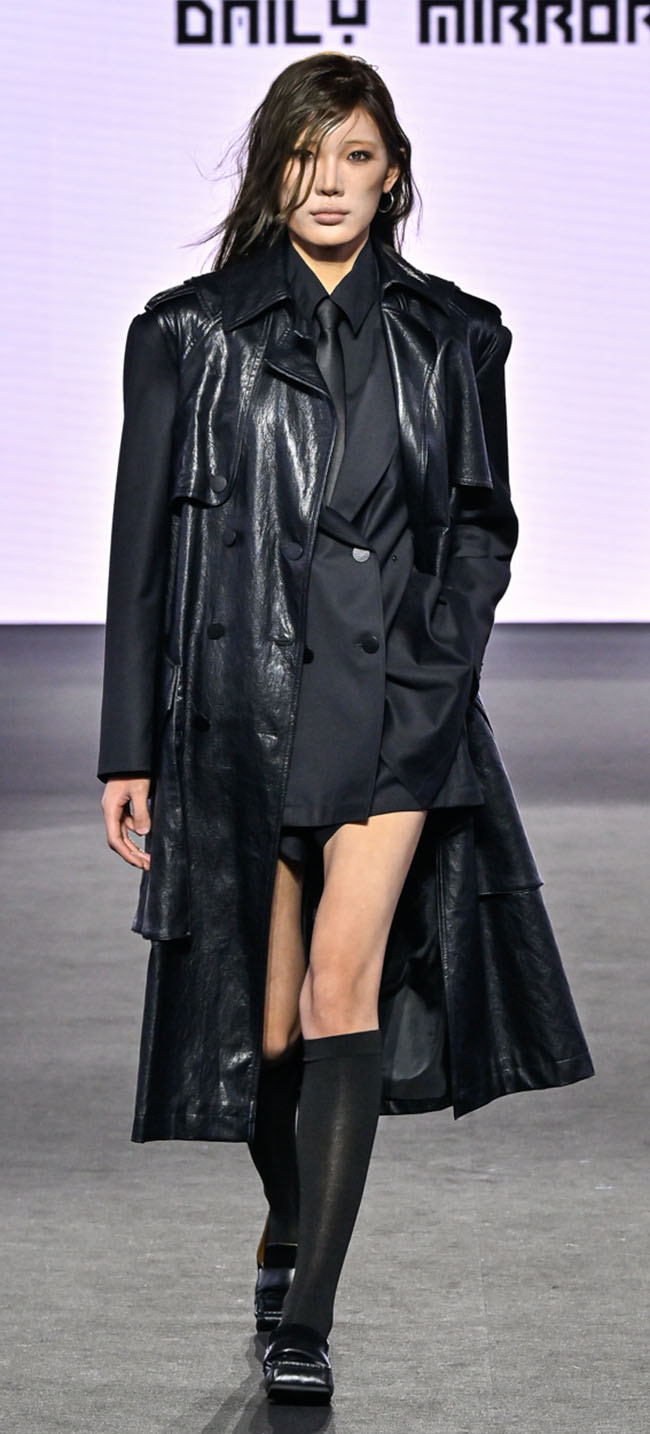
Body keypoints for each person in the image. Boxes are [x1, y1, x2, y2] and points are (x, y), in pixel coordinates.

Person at [97, 52, 594, 1406]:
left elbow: (479, 525)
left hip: (392, 709)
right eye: (307, 157)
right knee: (265, 1030)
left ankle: (306, 1310)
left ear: (393, 173)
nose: (330, 183)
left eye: (356, 156)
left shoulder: (456, 335)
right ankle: (288, 1219)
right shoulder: (189, 333)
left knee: (340, 992)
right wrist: (128, 747)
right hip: (243, 709)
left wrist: (439, 668)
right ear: (273, 171)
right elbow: (140, 553)